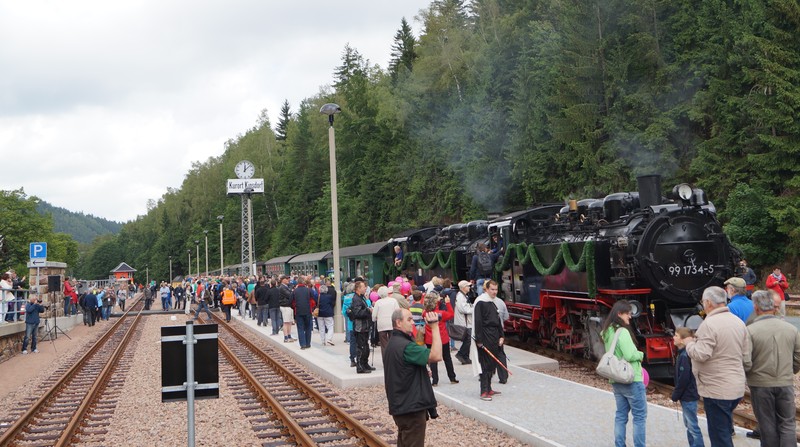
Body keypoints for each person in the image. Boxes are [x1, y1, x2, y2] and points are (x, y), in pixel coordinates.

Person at [685, 286, 748, 447]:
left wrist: (689, 343)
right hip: (736, 386)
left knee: (719, 437)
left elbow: (701, 354)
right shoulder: (738, 322)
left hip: (716, 389)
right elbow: (747, 354)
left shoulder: (709, 324)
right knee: (724, 431)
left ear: (708, 302)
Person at [743, 290, 800, 447]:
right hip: (785, 382)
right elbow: (798, 356)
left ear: (756, 308)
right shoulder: (791, 329)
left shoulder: (750, 331)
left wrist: (752, 375)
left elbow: (746, 361)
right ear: (774, 307)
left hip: (760, 384)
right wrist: (790, 371)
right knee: (788, 424)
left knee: (767, 425)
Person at [384, 308, 442, 447]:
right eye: (409, 320)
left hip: (401, 405)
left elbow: (402, 369)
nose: (413, 323)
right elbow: (436, 355)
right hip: (411, 408)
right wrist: (434, 327)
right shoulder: (407, 346)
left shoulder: (393, 343)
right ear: (398, 323)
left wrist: (420, 371)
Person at [600, 300, 646, 447]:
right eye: (628, 314)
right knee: (639, 417)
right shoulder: (623, 332)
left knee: (620, 416)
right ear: (619, 314)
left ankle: (619, 445)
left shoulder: (607, 331)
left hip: (616, 380)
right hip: (631, 379)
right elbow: (630, 355)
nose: (630, 317)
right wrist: (641, 355)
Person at [470, 280, 505, 401]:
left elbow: (498, 320)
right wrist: (479, 340)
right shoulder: (480, 302)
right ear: (486, 289)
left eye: (496, 289)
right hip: (485, 336)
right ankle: (484, 390)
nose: (495, 292)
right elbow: (478, 321)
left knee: (492, 364)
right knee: (485, 363)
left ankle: (489, 387)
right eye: (492, 289)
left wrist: (501, 336)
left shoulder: (493, 302)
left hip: (494, 335)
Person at [671, 327, 703, 447]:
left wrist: (675, 395)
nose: (673, 337)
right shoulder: (682, 354)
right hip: (687, 395)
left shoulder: (684, 356)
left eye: (676, 335)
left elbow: (683, 379)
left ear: (683, 340)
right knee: (689, 425)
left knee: (692, 426)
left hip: (688, 396)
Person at [424, 291, 458, 386]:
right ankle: (452, 377)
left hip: (429, 339)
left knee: (433, 360)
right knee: (447, 358)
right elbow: (451, 314)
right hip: (442, 338)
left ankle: (435, 381)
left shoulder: (425, 313)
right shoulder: (441, 314)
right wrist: (447, 303)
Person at [350, 280, 374, 373]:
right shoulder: (356, 299)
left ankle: (365, 363)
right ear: (358, 289)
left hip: (365, 325)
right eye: (363, 287)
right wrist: (368, 311)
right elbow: (357, 312)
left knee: (365, 346)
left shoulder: (361, 297)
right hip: (360, 327)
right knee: (361, 347)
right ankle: (360, 366)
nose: (365, 288)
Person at [372, 285, 399, 354]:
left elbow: (374, 315)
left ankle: (385, 360)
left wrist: (374, 319)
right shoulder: (393, 301)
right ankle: (392, 359)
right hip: (392, 324)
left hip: (382, 325)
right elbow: (397, 312)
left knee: (384, 344)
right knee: (392, 343)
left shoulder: (378, 302)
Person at [291, 276, 314, 349]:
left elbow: (290, 301)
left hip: (298, 311)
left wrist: (294, 307)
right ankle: (308, 343)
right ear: (304, 282)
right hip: (308, 311)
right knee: (308, 328)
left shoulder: (294, 291)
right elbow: (315, 298)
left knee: (300, 328)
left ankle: (302, 344)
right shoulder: (309, 290)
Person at [453, 280, 473, 365]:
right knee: (468, 339)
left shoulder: (463, 295)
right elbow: (464, 309)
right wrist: (474, 309)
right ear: (463, 287)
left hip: (466, 321)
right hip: (464, 322)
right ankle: (461, 354)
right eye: (468, 286)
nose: (469, 287)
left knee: (468, 339)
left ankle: (465, 357)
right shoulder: (461, 296)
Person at [278, 275, 297, 343]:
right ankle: (286, 337)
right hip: (285, 306)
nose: (288, 280)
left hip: (288, 306)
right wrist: (292, 291)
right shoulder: (282, 288)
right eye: (286, 279)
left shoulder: (285, 287)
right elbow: (289, 295)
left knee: (289, 322)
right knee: (286, 322)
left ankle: (289, 336)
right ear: (282, 280)